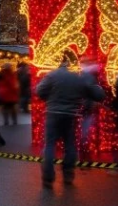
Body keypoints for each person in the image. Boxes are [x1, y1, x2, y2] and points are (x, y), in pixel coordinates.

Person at [36, 54, 105, 187]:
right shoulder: (76, 78)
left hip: (53, 113)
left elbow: (39, 91)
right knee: (70, 145)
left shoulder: (52, 75)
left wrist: (50, 99)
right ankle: (68, 174)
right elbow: (97, 95)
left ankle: (48, 177)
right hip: (71, 114)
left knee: (50, 145)